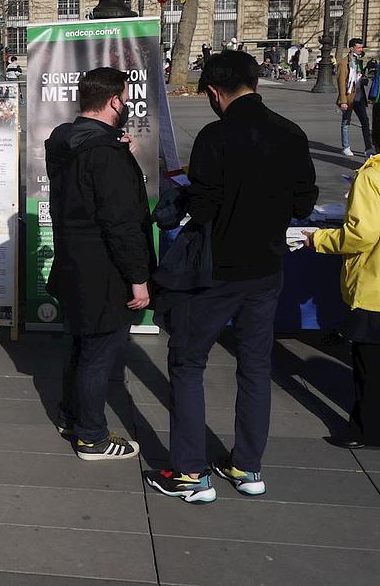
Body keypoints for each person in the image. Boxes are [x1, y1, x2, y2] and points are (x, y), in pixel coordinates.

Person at [145, 51, 318, 504]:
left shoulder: (216, 136)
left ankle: (188, 472)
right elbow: (303, 203)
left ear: (216, 92)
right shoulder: (292, 133)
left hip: (216, 270)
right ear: (255, 83)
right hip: (266, 268)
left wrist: (183, 199)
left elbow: (203, 207)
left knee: (187, 363)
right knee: (256, 366)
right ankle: (247, 465)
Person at [44, 67, 153, 461]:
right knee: (99, 352)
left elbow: (84, 188)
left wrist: (116, 148)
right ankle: (91, 436)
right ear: (114, 101)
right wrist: (138, 279)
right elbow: (121, 224)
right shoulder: (104, 154)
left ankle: (72, 416)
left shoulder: (64, 139)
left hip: (72, 261)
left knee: (80, 345)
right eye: (124, 98)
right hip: (104, 269)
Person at [303, 155, 380, 448]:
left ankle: (366, 430)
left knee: (370, 369)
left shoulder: (372, 176)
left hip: (375, 288)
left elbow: (362, 234)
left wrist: (320, 240)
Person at [337, 38, 374, 158]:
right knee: (346, 122)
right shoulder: (344, 63)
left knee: (365, 122)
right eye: (358, 47)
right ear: (351, 48)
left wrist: (364, 80)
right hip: (348, 97)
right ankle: (346, 147)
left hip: (359, 97)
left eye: (361, 47)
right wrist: (343, 101)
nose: (361, 49)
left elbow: (359, 77)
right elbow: (341, 82)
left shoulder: (359, 61)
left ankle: (368, 148)